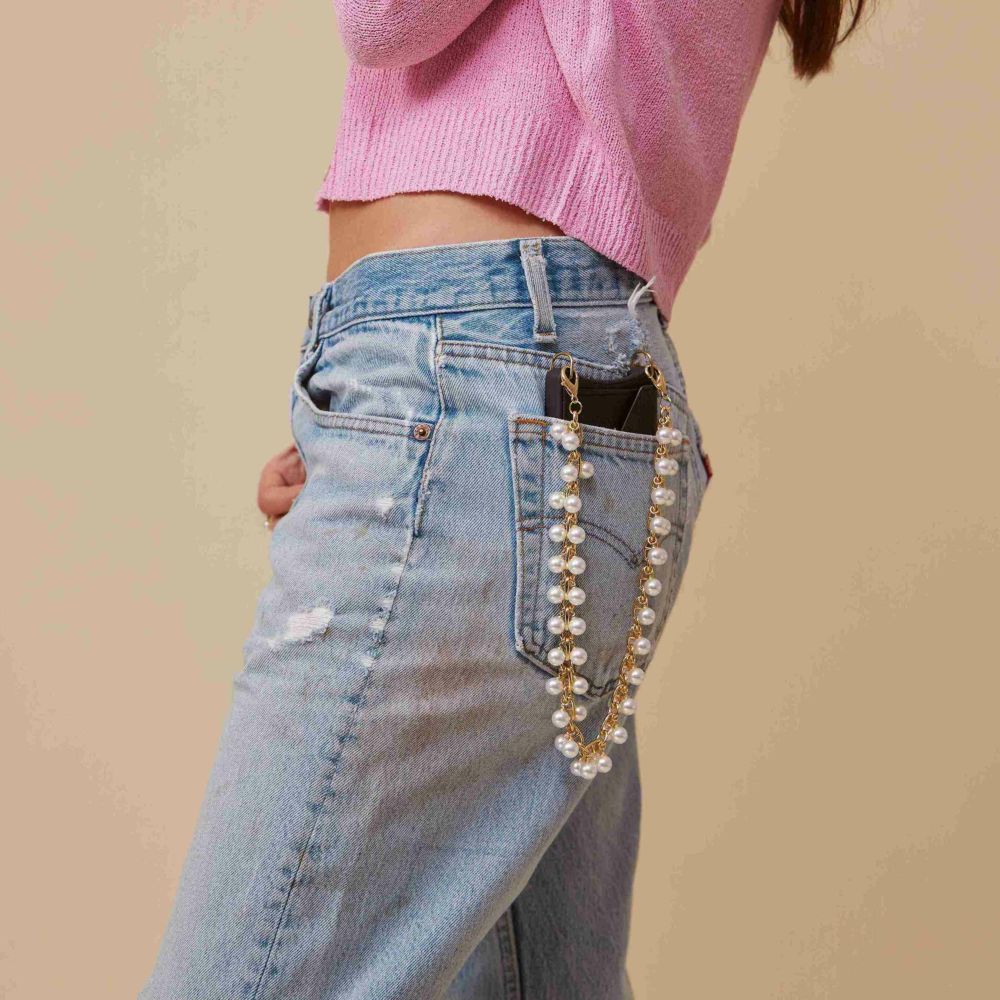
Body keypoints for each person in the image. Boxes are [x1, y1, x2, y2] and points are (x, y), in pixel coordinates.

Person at [142, 1, 870, 997]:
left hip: (481, 399)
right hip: (524, 410)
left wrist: (417, 417)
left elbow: (383, 19)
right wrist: (375, 418)